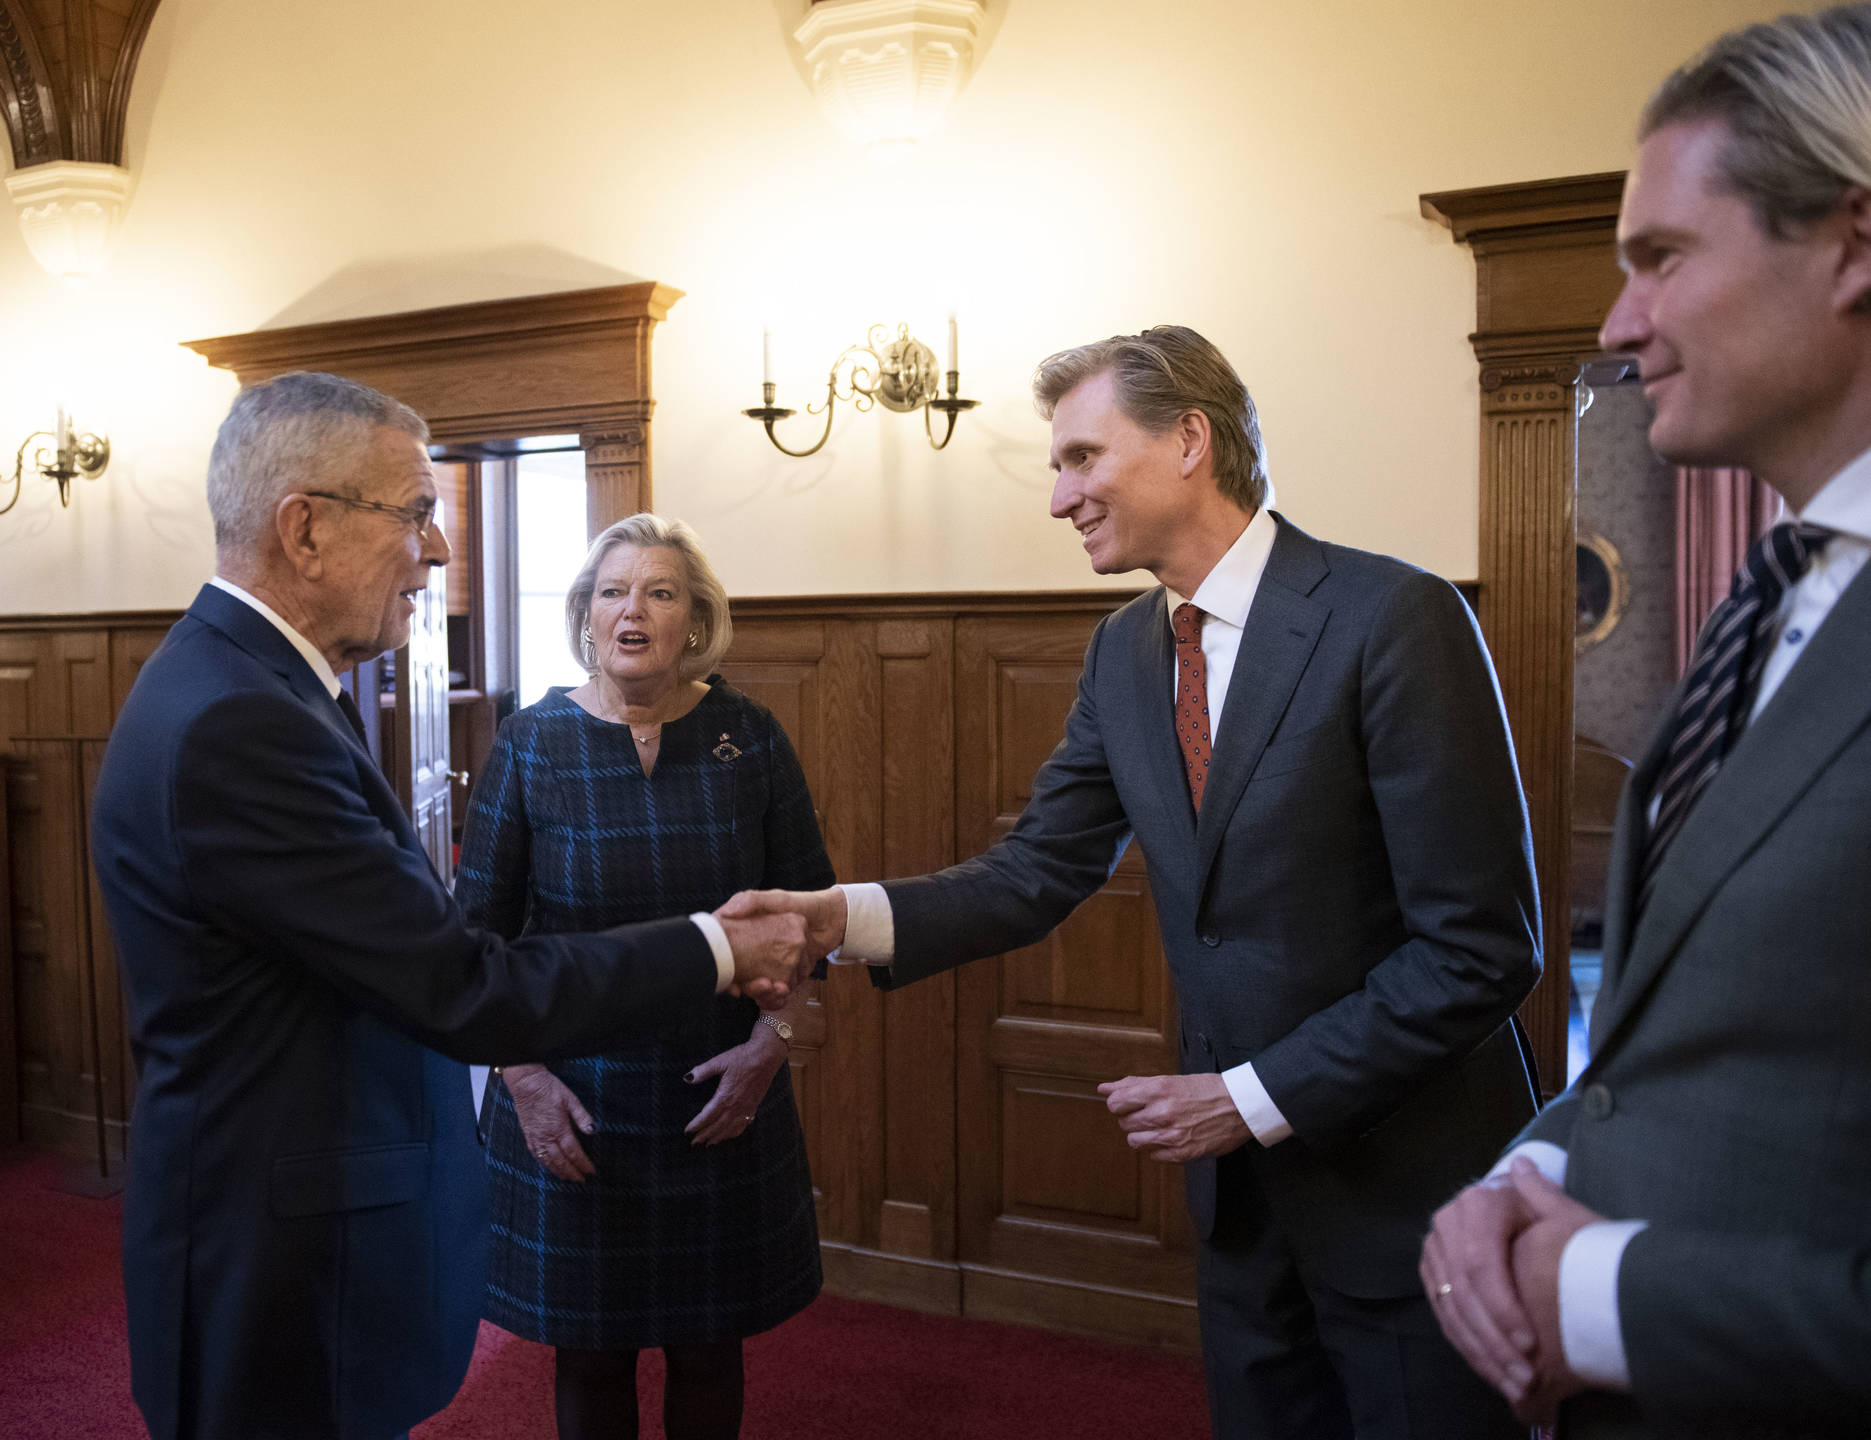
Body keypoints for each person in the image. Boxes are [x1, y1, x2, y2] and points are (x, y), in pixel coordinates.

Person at [728, 326, 1542, 1439]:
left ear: (1189, 441)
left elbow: (1478, 950)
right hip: (1240, 1210)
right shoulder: (1122, 651)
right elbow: (1035, 870)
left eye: (1078, 459)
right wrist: (838, 919)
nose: (1059, 497)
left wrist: (1249, 1099)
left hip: (1402, 1190)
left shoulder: (1392, 618)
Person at [88, 372, 810, 1440]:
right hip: (279, 1245)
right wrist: (715, 946)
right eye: (417, 514)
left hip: (294, 1217)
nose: (435, 551)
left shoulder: (248, 688)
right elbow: (464, 979)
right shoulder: (244, 720)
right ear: (306, 530)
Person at [1421, 9, 1871, 1436]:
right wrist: (1515, 1184)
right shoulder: (1772, 592)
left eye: (1660, 259)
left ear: (1851, 246)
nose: (1617, 326)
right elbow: (1700, 1042)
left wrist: (1606, 1295)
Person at [457, 513, 831, 1440]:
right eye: (613, 592)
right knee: (590, 1351)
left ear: (694, 620)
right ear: (585, 617)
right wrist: (527, 1081)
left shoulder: (749, 735)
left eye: (660, 592)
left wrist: (769, 1051)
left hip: (721, 1095)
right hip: (576, 1101)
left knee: (711, 1347)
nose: (635, 610)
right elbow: (474, 945)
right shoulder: (530, 742)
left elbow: (811, 922)